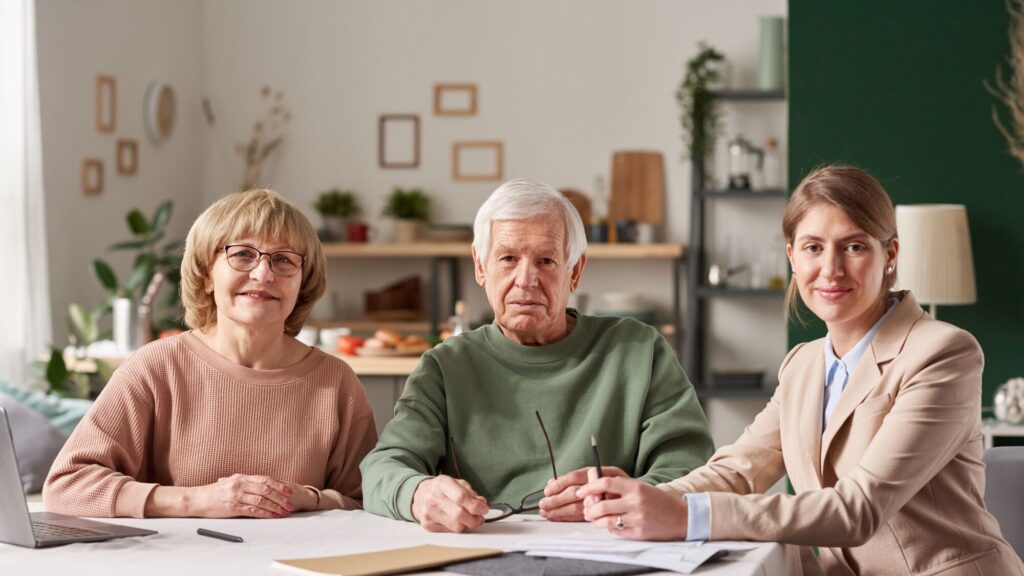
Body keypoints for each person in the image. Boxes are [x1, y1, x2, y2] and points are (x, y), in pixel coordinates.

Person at [578, 165, 1024, 575]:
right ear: (792, 257)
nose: (831, 269)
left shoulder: (943, 353)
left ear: (890, 254)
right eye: (813, 248)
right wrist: (638, 498)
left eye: (854, 246)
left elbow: (858, 509)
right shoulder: (803, 365)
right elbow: (739, 471)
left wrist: (686, 515)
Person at [360, 178, 713, 533]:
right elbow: (382, 469)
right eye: (508, 258)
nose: (525, 279)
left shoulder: (639, 350)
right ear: (480, 266)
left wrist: (619, 498)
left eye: (545, 260)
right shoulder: (444, 367)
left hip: (608, 546)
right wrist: (419, 493)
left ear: (575, 271)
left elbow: (691, 468)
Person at [44, 189, 378, 518]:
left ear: (302, 282)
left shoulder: (337, 382)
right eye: (243, 254)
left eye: (283, 260)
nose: (263, 274)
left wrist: (310, 498)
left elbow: (369, 501)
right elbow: (66, 486)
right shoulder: (155, 368)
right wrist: (197, 500)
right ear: (206, 275)